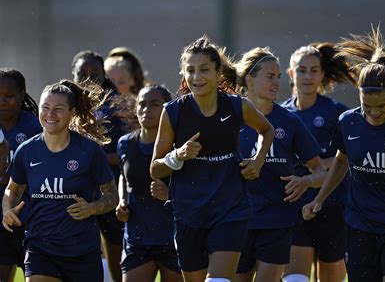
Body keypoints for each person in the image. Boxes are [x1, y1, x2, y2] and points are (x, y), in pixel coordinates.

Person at [303, 26, 385, 282]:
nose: (374, 113)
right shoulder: (347, 122)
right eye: (367, 106)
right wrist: (319, 199)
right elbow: (341, 162)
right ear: (359, 97)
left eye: (381, 107)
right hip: (359, 228)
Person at [150, 36, 274, 282]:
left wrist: (258, 159)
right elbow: (155, 169)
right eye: (190, 71)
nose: (197, 77)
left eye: (204, 69)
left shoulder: (238, 106)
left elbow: (267, 130)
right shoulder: (173, 112)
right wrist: (177, 156)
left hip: (231, 208)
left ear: (218, 72)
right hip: (188, 211)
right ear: (183, 74)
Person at [2, 79, 119, 282]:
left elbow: (112, 196)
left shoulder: (89, 150)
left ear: (72, 112)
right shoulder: (27, 151)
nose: (50, 114)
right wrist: (7, 210)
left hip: (83, 251)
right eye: (45, 107)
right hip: (40, 248)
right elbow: (12, 189)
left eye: (58, 109)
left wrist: (92, 208)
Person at [233, 47, 326, 282]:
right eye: (270, 77)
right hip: (236, 219)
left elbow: (321, 172)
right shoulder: (230, 117)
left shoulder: (289, 121)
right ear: (249, 79)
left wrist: (305, 181)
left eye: (278, 77)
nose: (276, 83)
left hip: (277, 220)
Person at [280, 43, 356, 282]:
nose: (308, 76)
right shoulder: (280, 115)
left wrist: (314, 170)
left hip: (333, 208)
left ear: (322, 74)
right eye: (301, 70)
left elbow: (348, 158)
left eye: (314, 70)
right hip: (293, 210)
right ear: (291, 73)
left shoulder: (337, 112)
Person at [71, 50, 131, 281]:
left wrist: (96, 160)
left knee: (115, 245)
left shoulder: (117, 106)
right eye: (82, 73)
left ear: (104, 75)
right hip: (75, 189)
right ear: (72, 76)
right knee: (78, 251)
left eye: (94, 73)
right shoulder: (64, 105)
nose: (88, 78)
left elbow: (129, 149)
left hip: (110, 186)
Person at [115, 85, 183, 282]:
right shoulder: (125, 143)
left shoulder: (178, 147)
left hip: (173, 239)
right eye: (142, 104)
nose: (146, 110)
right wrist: (122, 200)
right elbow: (123, 176)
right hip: (137, 239)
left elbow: (194, 187)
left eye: (154, 104)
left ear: (167, 109)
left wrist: (170, 194)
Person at [0, 68, 42, 282]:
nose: (2, 101)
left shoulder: (36, 127)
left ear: (22, 94)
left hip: (32, 215)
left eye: (8, 96)